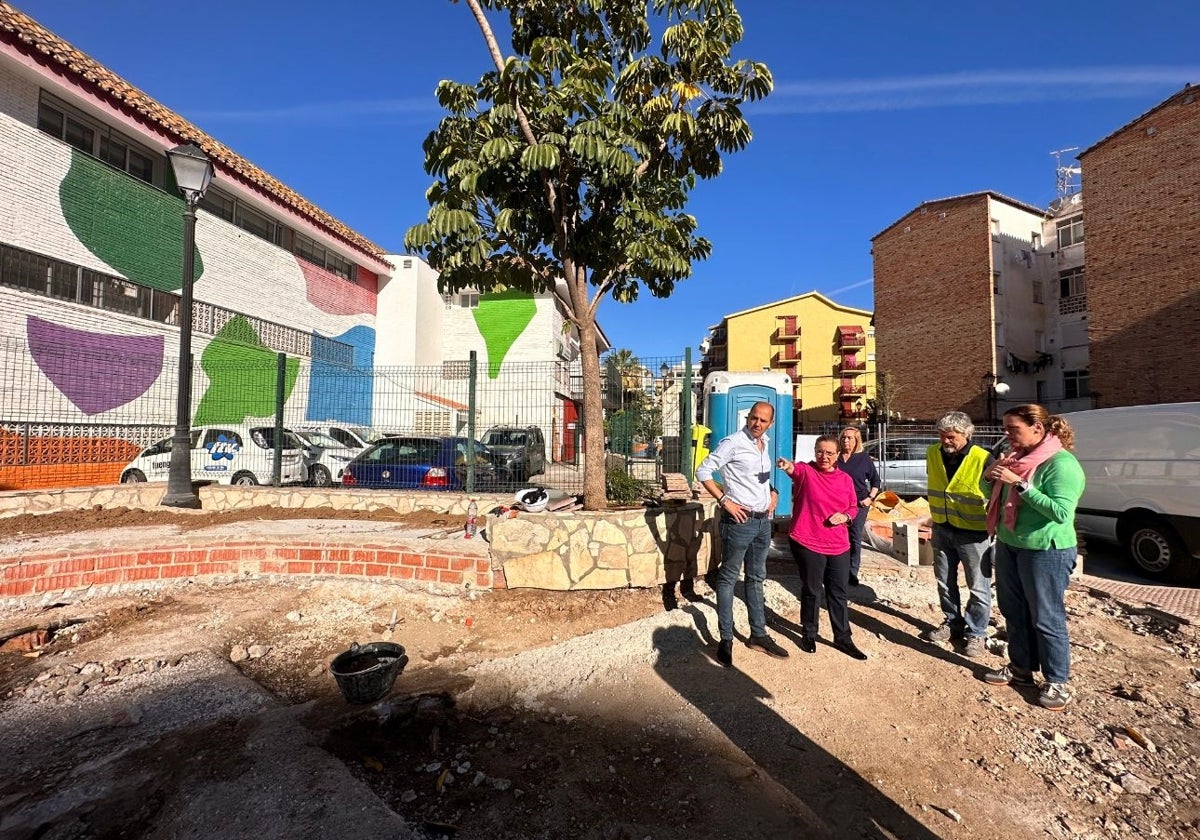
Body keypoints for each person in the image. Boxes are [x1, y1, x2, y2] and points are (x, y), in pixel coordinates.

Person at [982, 404, 1085, 711]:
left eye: (1014, 429)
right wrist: (989, 478)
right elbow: (993, 497)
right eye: (1006, 429)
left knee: (1045, 616)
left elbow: (1061, 512)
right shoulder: (1017, 460)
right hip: (1011, 544)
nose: (1007, 435)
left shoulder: (1061, 464)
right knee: (1013, 611)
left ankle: (1057, 681)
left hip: (1046, 549)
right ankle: (1021, 669)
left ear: (1038, 429)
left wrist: (1020, 484)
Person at [697, 401, 789, 668]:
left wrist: (773, 491)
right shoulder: (734, 442)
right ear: (747, 418)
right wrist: (725, 500)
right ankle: (726, 639)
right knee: (727, 579)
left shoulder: (764, 442)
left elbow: (755, 477)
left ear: (770, 423)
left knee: (756, 578)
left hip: (762, 523)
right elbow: (703, 470)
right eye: (753, 418)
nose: (757, 424)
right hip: (739, 522)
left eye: (763, 420)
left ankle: (758, 635)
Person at [778, 435, 867, 660]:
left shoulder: (845, 480)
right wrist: (787, 466)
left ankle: (843, 637)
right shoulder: (807, 472)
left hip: (838, 544)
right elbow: (793, 469)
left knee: (838, 592)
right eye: (820, 452)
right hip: (808, 541)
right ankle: (809, 632)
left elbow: (853, 507)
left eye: (829, 453)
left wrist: (845, 515)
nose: (823, 457)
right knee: (812, 590)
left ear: (837, 455)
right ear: (814, 452)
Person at [924, 411, 997, 658]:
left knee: (978, 586)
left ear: (967, 434)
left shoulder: (983, 458)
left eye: (951, 437)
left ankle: (976, 632)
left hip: (974, 533)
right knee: (944, 581)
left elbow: (995, 494)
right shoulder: (933, 453)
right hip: (943, 527)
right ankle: (952, 623)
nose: (945, 441)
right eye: (942, 436)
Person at [834, 426, 881, 587]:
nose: (846, 440)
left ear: (856, 441)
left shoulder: (864, 459)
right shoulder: (836, 457)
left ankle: (852, 573)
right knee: (839, 536)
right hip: (838, 503)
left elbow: (876, 481)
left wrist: (870, 498)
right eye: (844, 437)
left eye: (850, 438)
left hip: (859, 503)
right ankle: (838, 569)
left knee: (854, 536)